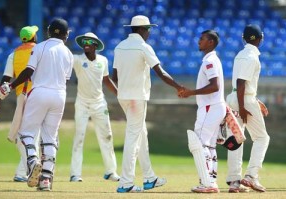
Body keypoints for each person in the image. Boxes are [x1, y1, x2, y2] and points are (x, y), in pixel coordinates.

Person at [0, 18, 73, 191]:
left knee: (26, 133)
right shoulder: (68, 53)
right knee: (50, 137)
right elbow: (66, 79)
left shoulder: (40, 47)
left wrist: (11, 86)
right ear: (66, 35)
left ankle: (32, 161)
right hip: (59, 95)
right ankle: (45, 179)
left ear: (48, 31)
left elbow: (29, 71)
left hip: (39, 93)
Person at [112, 15, 184, 193]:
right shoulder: (143, 47)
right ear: (142, 30)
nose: (150, 33)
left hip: (124, 97)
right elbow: (160, 72)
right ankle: (126, 183)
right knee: (133, 139)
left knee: (141, 134)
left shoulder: (119, 47)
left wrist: (124, 91)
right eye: (148, 29)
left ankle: (150, 177)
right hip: (137, 98)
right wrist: (178, 87)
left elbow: (114, 77)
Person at [0, 25, 40, 182]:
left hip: (22, 97)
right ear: (33, 37)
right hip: (40, 94)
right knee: (30, 135)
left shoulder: (13, 55)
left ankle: (23, 171)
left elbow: (5, 81)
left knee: (26, 134)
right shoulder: (40, 50)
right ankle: (27, 170)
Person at [69, 32, 120, 182]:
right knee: (79, 137)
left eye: (89, 41)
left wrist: (120, 94)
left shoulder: (103, 60)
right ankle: (75, 174)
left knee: (107, 136)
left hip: (99, 103)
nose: (85, 43)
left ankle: (111, 172)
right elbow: (63, 58)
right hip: (82, 104)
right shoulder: (77, 60)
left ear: (95, 45)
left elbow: (106, 80)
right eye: (84, 41)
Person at [225, 24, 270, 193]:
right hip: (243, 100)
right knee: (262, 138)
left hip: (235, 98)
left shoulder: (240, 54)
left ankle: (235, 182)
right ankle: (251, 176)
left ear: (244, 38)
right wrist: (244, 106)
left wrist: (254, 99)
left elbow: (240, 83)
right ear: (260, 38)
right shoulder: (253, 56)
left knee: (237, 139)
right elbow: (241, 82)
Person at [179, 30, 225, 193]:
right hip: (215, 106)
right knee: (210, 146)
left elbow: (215, 86)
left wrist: (191, 92)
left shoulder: (210, 61)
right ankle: (211, 181)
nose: (199, 41)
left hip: (210, 107)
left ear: (211, 42)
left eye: (202, 39)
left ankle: (207, 183)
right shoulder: (212, 59)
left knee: (199, 143)